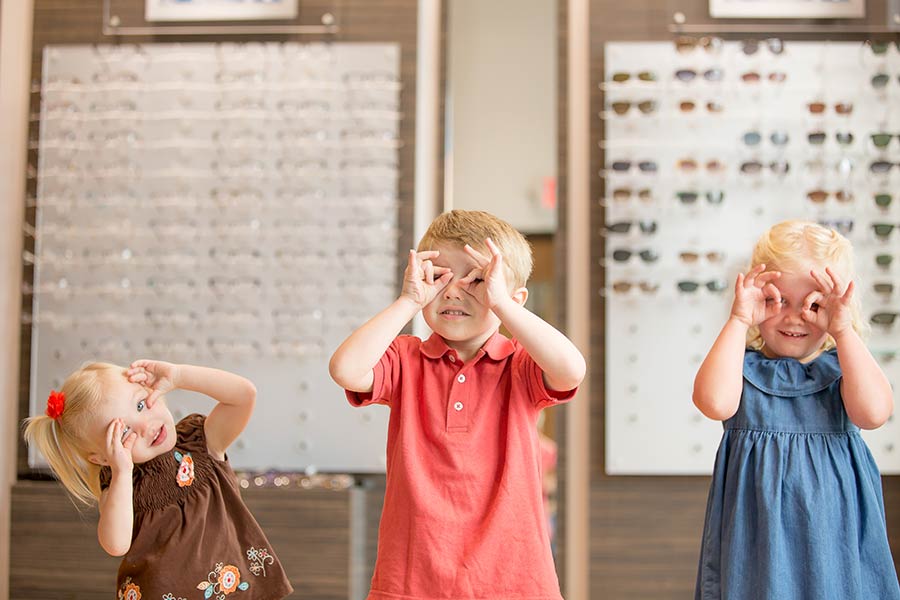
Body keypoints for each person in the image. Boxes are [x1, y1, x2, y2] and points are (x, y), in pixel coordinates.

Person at [329, 209, 585, 599]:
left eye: (478, 280)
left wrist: (503, 306)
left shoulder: (520, 364)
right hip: (412, 579)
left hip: (513, 579)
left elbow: (571, 370)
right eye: (439, 277)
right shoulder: (404, 357)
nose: (452, 291)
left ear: (512, 298)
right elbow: (346, 370)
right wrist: (408, 301)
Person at [693, 220, 900, 599]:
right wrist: (739, 320)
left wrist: (844, 330)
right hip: (758, 539)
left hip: (834, 535)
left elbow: (873, 413)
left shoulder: (844, 367)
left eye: (814, 304)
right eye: (778, 300)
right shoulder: (741, 367)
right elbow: (713, 402)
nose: (794, 317)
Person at [24, 359, 293, 600]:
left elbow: (244, 396)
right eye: (124, 431)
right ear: (103, 458)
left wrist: (179, 375)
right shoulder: (120, 484)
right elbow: (115, 544)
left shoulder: (201, 443)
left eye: (140, 404)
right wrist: (121, 472)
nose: (145, 425)